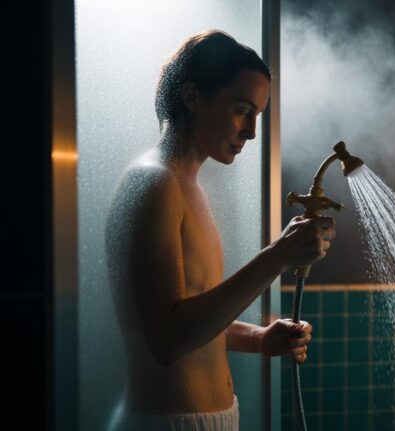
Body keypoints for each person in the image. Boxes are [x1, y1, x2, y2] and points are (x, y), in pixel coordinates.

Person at [104, 29, 335, 430]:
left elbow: (190, 318)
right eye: (242, 109)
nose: (251, 132)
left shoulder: (185, 185)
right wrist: (277, 257)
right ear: (193, 97)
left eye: (257, 115)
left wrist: (258, 339)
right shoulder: (155, 184)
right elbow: (167, 340)